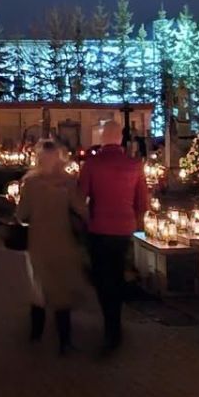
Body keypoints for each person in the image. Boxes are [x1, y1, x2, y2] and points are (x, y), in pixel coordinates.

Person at [79, 120, 148, 352]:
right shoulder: (135, 165)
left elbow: (81, 198)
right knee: (117, 275)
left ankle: (111, 325)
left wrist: (85, 219)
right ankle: (114, 324)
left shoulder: (92, 164)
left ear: (102, 138)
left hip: (99, 228)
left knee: (102, 278)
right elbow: (142, 203)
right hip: (123, 228)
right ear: (120, 139)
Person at [16, 140, 88, 353]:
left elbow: (21, 215)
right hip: (63, 241)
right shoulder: (68, 182)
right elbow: (81, 209)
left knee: (38, 288)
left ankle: (36, 334)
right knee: (61, 290)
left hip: (38, 242)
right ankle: (64, 340)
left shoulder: (30, 183)